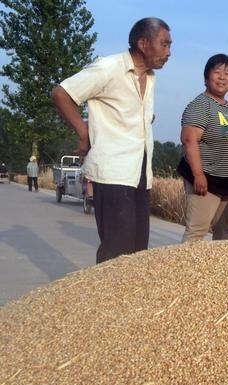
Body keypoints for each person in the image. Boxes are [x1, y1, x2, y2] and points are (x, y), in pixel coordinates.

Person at [51, 17, 172, 263]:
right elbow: (61, 93)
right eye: (165, 44)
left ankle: (130, 301)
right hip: (114, 171)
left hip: (139, 174)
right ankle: (103, 300)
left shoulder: (149, 78)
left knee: (138, 251)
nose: (169, 52)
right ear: (143, 43)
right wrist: (83, 132)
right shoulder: (109, 67)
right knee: (116, 251)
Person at [178, 54, 228, 242]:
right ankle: (184, 270)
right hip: (207, 178)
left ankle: (216, 271)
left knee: (225, 231)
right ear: (206, 78)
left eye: (227, 73)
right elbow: (189, 140)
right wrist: (198, 175)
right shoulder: (201, 105)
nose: (222, 76)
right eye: (217, 72)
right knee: (197, 230)